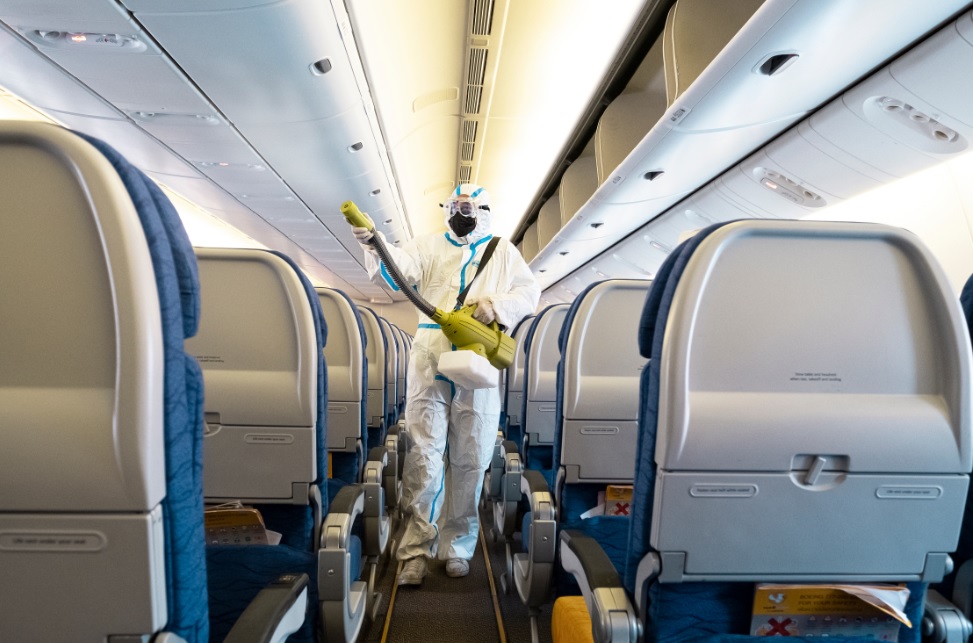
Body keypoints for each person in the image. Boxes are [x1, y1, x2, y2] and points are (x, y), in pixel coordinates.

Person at [352, 183, 540, 585]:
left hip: (476, 360)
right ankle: (415, 551)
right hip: (430, 359)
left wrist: (495, 306)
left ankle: (457, 547)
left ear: (483, 210)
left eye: (467, 208)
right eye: (454, 207)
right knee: (423, 456)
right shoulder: (428, 245)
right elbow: (398, 271)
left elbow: (529, 292)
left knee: (471, 458)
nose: (460, 214)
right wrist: (374, 243)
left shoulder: (503, 252)